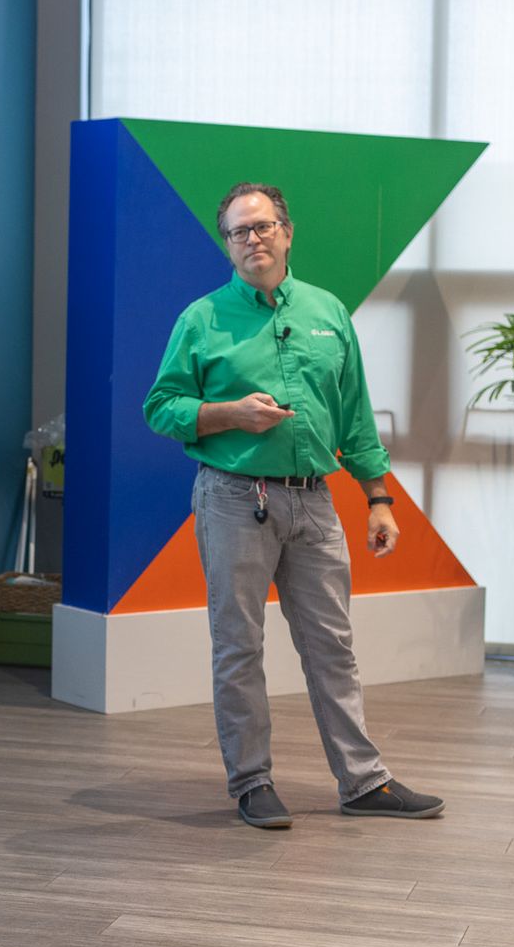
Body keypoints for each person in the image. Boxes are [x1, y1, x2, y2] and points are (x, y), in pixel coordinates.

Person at [143, 182, 443, 830]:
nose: (252, 238)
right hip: (232, 499)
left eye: (262, 226)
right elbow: (160, 407)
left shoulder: (327, 311)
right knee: (238, 646)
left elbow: (354, 415)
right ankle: (252, 781)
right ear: (227, 244)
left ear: (286, 232)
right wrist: (230, 413)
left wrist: (379, 498)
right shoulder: (202, 319)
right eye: (238, 231)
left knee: (333, 645)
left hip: (314, 502)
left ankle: (363, 781)